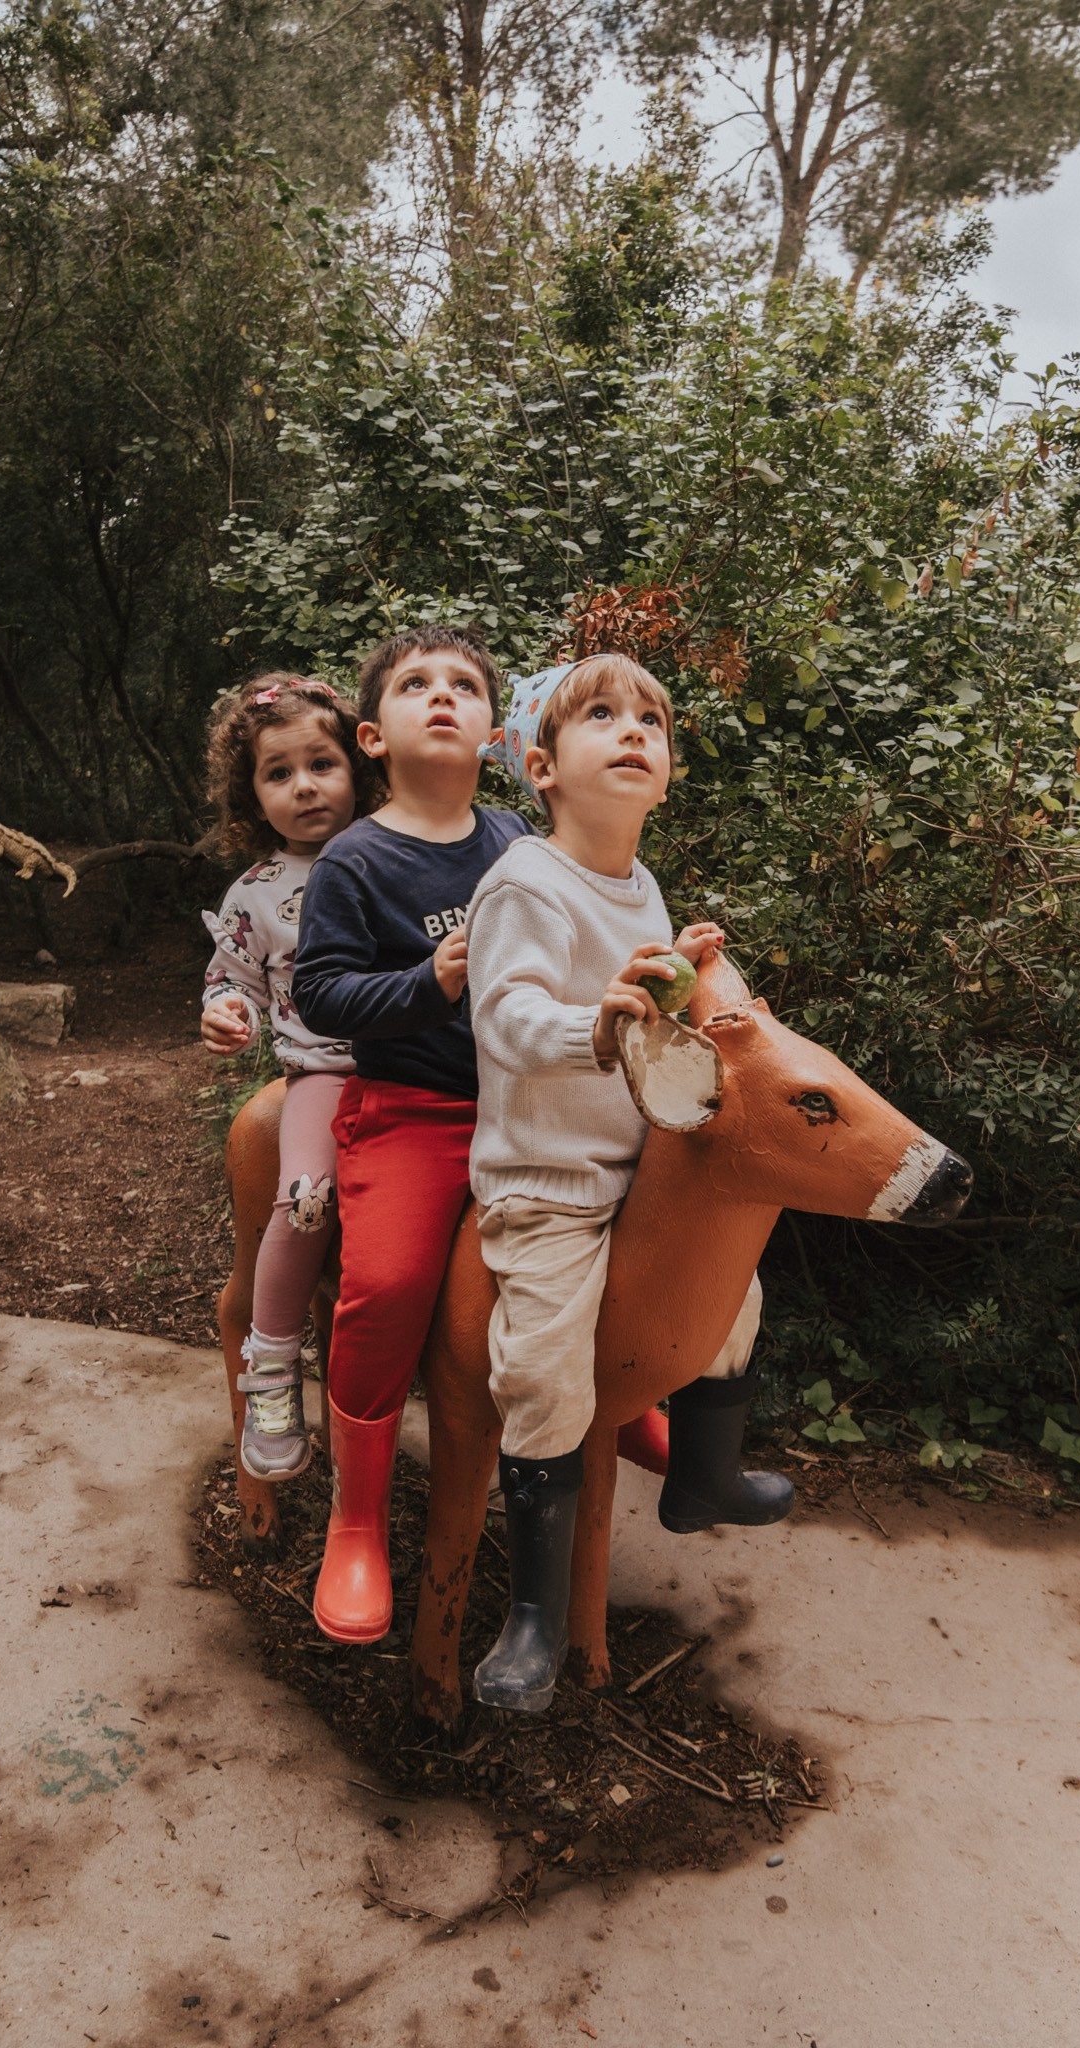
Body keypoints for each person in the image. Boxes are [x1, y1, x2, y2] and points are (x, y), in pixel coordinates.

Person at [465, 652, 794, 1712]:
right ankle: (534, 1611)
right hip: (550, 1179)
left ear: (664, 773)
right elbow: (505, 1012)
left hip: (636, 1163)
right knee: (548, 1363)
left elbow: (651, 1002)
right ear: (541, 765)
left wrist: (680, 970)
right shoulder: (525, 879)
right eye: (600, 714)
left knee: (731, 1291)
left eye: (650, 717)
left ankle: (703, 1474)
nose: (633, 728)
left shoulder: (639, 882)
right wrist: (593, 1023)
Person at [290, 626, 531, 1644]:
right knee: (386, 1286)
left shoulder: (519, 838)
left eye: (465, 684)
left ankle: (634, 1396)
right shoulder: (356, 857)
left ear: (495, 729)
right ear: (372, 734)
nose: (443, 695)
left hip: (531, 1107)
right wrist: (430, 982)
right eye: (417, 684)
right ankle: (355, 1524)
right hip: (413, 1112)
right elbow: (321, 990)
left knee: (639, 1211)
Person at [201, 672, 369, 1483]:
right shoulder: (258, 894)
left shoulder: (397, 849)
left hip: (436, 1074)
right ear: (251, 793)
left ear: (356, 766)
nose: (304, 786)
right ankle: (272, 1374)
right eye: (278, 772)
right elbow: (229, 975)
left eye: (321, 764)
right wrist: (227, 1011)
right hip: (327, 1076)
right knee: (304, 1202)